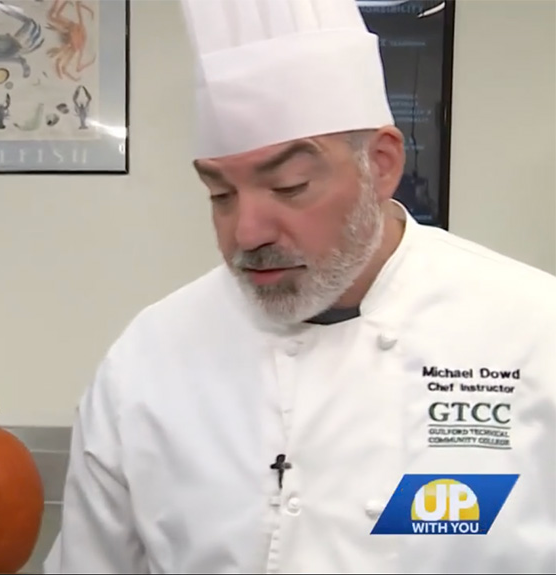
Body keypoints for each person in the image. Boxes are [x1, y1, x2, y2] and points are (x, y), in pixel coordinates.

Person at [43, 0, 556, 573]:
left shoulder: (534, 331)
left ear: (381, 164)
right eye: (220, 194)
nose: (247, 232)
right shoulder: (150, 360)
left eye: (289, 186)